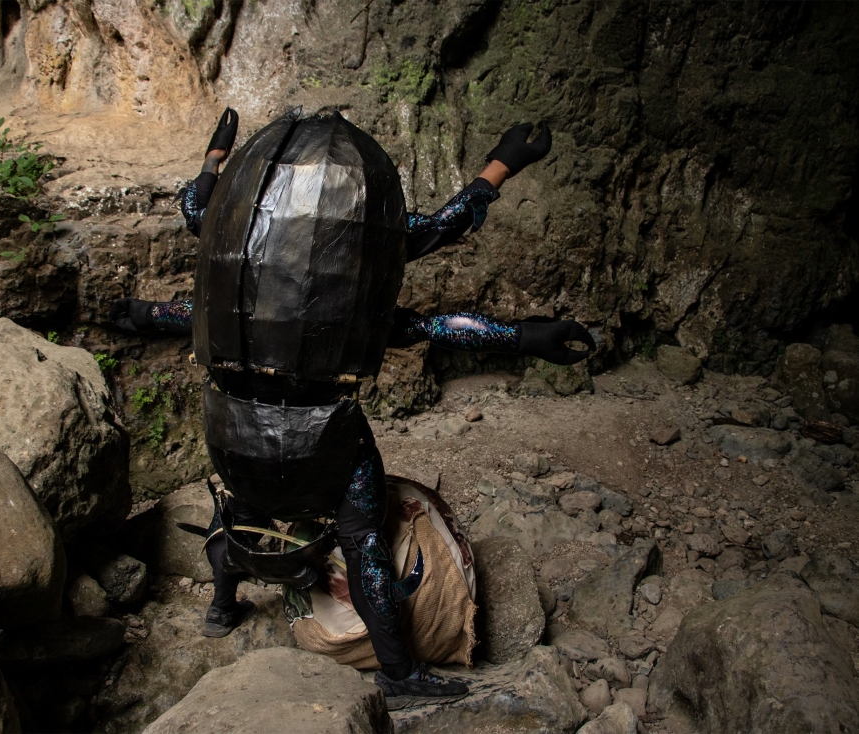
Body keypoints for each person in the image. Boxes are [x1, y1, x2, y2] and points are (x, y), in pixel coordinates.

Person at [111, 109, 593, 710]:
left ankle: (221, 606)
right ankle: (398, 673)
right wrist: (503, 168)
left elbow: (195, 218)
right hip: (323, 437)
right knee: (363, 537)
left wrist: (212, 160)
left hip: (231, 422)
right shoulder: (364, 232)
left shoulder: (232, 216)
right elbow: (438, 261)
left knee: (242, 504)